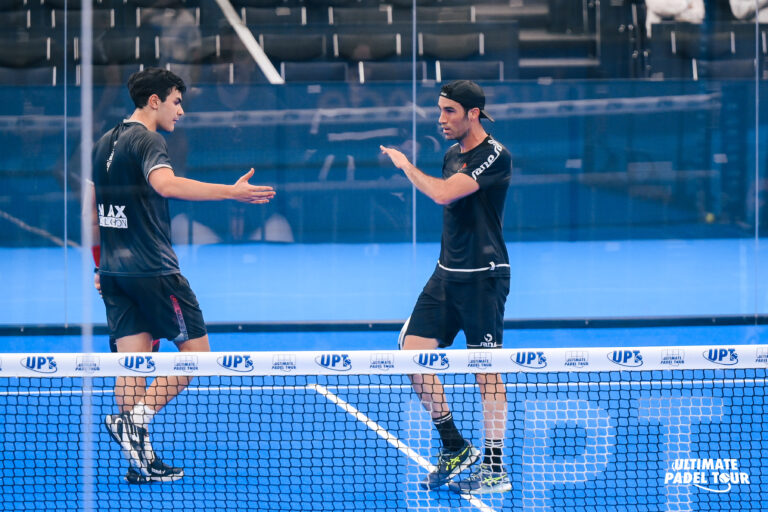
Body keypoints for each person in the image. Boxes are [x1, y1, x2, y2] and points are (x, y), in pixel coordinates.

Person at [88, 67, 275, 484]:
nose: (182, 110)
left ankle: (140, 462)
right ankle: (133, 422)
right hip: (154, 270)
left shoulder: (104, 143)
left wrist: (99, 265)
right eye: (176, 101)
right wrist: (232, 192)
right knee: (197, 359)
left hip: (115, 272)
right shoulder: (147, 140)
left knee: (132, 367)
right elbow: (166, 185)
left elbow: (93, 210)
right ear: (154, 101)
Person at [380, 80, 512, 495]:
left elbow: (441, 194)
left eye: (449, 111)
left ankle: (494, 468)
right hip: (445, 275)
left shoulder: (495, 155)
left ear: (473, 113)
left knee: (485, 371)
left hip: (483, 277)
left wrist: (404, 165)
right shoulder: (452, 154)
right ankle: (454, 444)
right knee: (412, 353)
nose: (440, 119)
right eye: (439, 110)